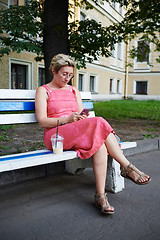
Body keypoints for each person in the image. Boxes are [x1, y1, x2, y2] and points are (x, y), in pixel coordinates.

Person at [35, 54, 151, 215]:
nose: (68, 78)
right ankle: (127, 166)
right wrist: (67, 119)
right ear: (53, 71)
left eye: (70, 75)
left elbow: (82, 114)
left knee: (101, 146)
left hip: (76, 131)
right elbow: (42, 121)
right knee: (99, 122)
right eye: (64, 74)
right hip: (56, 136)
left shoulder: (73, 90)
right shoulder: (43, 91)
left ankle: (100, 197)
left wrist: (79, 117)